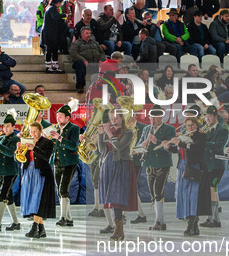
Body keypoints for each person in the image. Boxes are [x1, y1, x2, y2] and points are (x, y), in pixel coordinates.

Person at [98, 109, 138, 241]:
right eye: (111, 118)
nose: (113, 120)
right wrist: (100, 135)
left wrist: (109, 133)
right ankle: (117, 229)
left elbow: (120, 147)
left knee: (117, 197)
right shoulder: (111, 132)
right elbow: (102, 150)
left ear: (122, 118)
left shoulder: (127, 132)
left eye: (116, 118)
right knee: (111, 197)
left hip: (122, 164)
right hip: (108, 163)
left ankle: (119, 229)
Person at [136, 105, 176, 231]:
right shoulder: (147, 128)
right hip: (150, 163)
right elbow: (140, 142)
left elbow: (170, 147)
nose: (153, 119)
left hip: (162, 164)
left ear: (161, 116)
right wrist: (142, 144)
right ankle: (161, 222)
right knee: (153, 194)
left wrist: (156, 141)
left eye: (156, 117)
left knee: (158, 191)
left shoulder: (169, 129)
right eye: (151, 117)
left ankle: (158, 221)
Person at [20, 121, 56, 239]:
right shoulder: (27, 141)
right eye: (31, 131)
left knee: (38, 201)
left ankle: (35, 228)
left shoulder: (47, 142)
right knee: (32, 200)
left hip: (41, 174)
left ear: (40, 131)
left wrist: (34, 148)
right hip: (29, 173)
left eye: (35, 131)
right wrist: (19, 150)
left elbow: (46, 157)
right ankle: (41, 229)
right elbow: (21, 159)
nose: (33, 133)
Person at [49, 99, 80, 227]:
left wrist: (59, 138)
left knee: (63, 189)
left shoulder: (74, 128)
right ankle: (69, 218)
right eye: (57, 116)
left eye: (61, 116)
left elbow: (73, 146)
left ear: (68, 117)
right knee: (60, 191)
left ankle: (62, 217)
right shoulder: (56, 128)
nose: (58, 118)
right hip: (57, 161)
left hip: (69, 162)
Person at [200, 104, 229, 229]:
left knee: (212, 190)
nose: (208, 119)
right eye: (207, 117)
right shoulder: (205, 128)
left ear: (216, 117)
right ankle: (211, 218)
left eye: (210, 117)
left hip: (216, 164)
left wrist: (202, 140)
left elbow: (218, 146)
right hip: (206, 163)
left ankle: (215, 219)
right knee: (208, 191)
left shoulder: (222, 130)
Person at [70, 26, 105, 93]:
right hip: (83, 63)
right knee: (80, 64)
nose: (89, 35)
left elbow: (102, 53)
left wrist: (101, 59)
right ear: (82, 34)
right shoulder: (76, 43)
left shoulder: (95, 43)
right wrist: (83, 60)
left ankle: (103, 87)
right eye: (87, 33)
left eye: (90, 33)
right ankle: (80, 86)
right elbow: (73, 54)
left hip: (95, 63)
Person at [41, 0, 67, 73]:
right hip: (50, 34)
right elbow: (55, 18)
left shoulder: (50, 8)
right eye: (60, 3)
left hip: (52, 33)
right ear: (58, 3)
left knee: (54, 49)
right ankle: (49, 66)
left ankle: (55, 65)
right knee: (50, 49)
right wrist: (64, 16)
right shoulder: (52, 9)